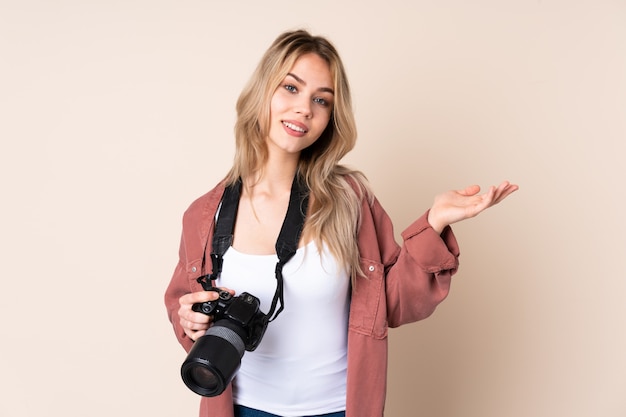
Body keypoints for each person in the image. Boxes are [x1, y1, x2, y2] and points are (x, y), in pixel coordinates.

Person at [164, 29, 518, 417]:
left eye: (321, 100)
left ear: (331, 117)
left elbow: (395, 304)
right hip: (241, 407)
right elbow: (187, 313)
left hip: (337, 408)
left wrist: (434, 224)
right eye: (291, 88)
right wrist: (189, 319)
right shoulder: (204, 215)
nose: (304, 109)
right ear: (262, 92)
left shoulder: (351, 201)